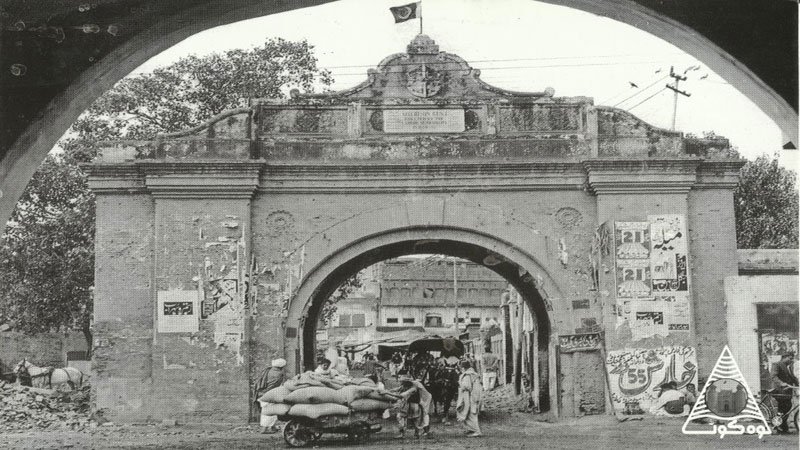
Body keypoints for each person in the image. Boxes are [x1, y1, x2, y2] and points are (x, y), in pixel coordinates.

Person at [392, 373, 432, 439]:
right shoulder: (405, 386)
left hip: (413, 405)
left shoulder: (413, 388)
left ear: (406, 382)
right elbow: (396, 389)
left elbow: (402, 395)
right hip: (410, 405)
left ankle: (411, 433)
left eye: (402, 382)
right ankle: (413, 434)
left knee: (410, 418)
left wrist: (386, 393)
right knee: (410, 419)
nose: (401, 383)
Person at [254, 358, 287, 434]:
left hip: (262, 393)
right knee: (269, 411)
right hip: (268, 395)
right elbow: (275, 386)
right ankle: (264, 429)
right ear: (281, 367)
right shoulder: (279, 374)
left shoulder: (268, 370)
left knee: (270, 410)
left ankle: (272, 427)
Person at [770, 352, 799, 433]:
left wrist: (798, 384)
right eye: (790, 358)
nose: (791, 360)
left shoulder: (788, 367)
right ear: (784, 357)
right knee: (783, 407)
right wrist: (781, 383)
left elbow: (792, 378)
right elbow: (773, 376)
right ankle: (778, 426)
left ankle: (782, 426)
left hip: (786, 392)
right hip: (779, 390)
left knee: (787, 407)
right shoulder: (777, 364)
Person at [456, 360, 483, 437]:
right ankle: (471, 429)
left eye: (461, 368)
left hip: (470, 396)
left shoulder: (467, 375)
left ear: (463, 368)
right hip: (475, 394)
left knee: (471, 413)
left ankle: (477, 431)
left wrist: (461, 386)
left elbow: (467, 386)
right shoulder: (473, 374)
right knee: (468, 413)